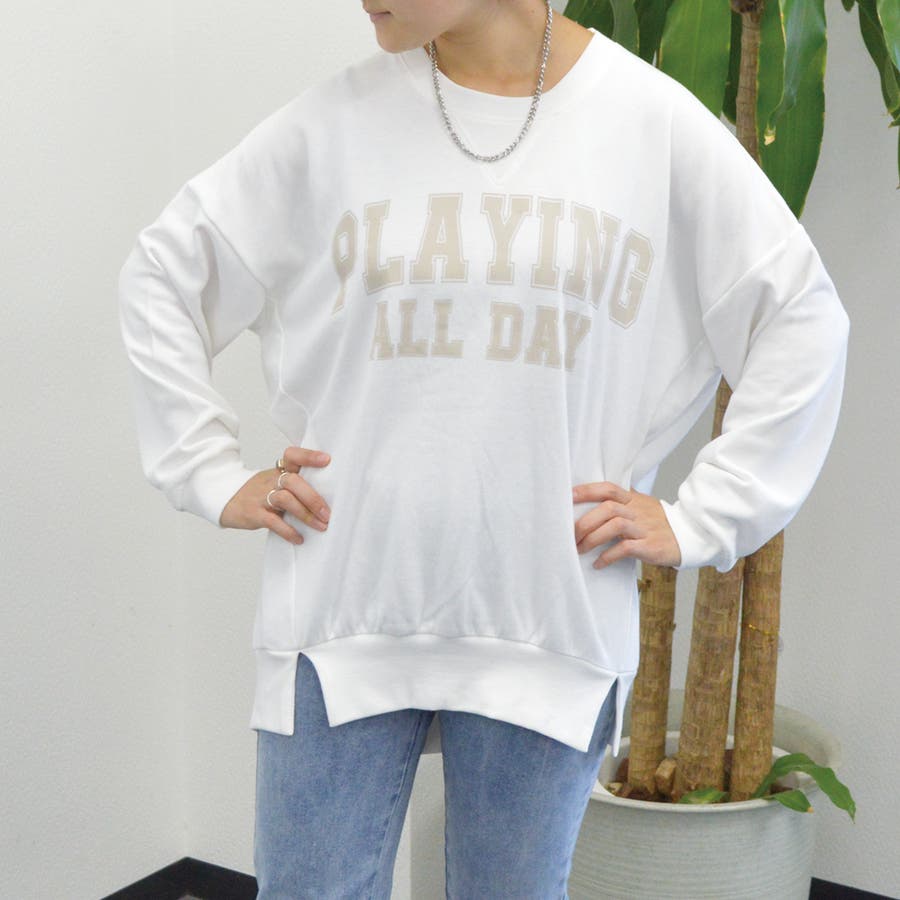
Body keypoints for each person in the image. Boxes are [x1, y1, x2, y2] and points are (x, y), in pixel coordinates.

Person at [117, 1, 850, 897]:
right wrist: (205, 468)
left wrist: (707, 516)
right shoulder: (330, 127)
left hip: (550, 622)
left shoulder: (649, 126)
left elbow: (801, 318)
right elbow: (164, 272)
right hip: (342, 617)